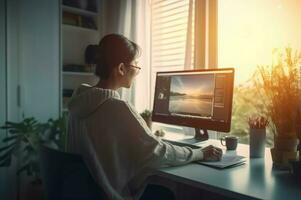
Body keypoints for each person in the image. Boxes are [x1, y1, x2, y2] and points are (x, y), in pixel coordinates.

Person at [67, 34, 223, 200]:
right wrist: (200, 154)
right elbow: (158, 152)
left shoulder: (79, 100)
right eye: (135, 64)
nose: (137, 71)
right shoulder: (117, 107)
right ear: (121, 68)